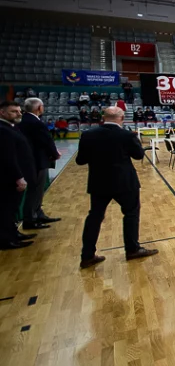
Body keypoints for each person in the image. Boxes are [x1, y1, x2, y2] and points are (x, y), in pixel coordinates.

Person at [75, 106, 158, 269]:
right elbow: (138, 155)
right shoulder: (127, 135)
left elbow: (80, 160)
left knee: (95, 217)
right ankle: (132, 249)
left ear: (103, 118)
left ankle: (87, 256)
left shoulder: (88, 135)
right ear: (121, 118)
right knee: (131, 214)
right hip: (124, 181)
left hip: (98, 182)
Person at [18, 98, 61, 230]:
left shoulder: (24, 120)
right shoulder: (34, 122)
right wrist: (55, 153)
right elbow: (46, 140)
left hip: (33, 159)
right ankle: (31, 219)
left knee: (37, 190)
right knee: (35, 190)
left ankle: (37, 213)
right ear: (39, 108)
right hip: (36, 160)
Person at [0, 101, 34, 249]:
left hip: (17, 175)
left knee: (13, 209)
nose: (19, 113)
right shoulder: (3, 130)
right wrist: (18, 177)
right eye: (14, 111)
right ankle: (6, 240)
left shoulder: (12, 127)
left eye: (19, 111)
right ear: (2, 112)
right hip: (9, 178)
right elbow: (7, 157)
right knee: (6, 210)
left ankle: (14, 234)